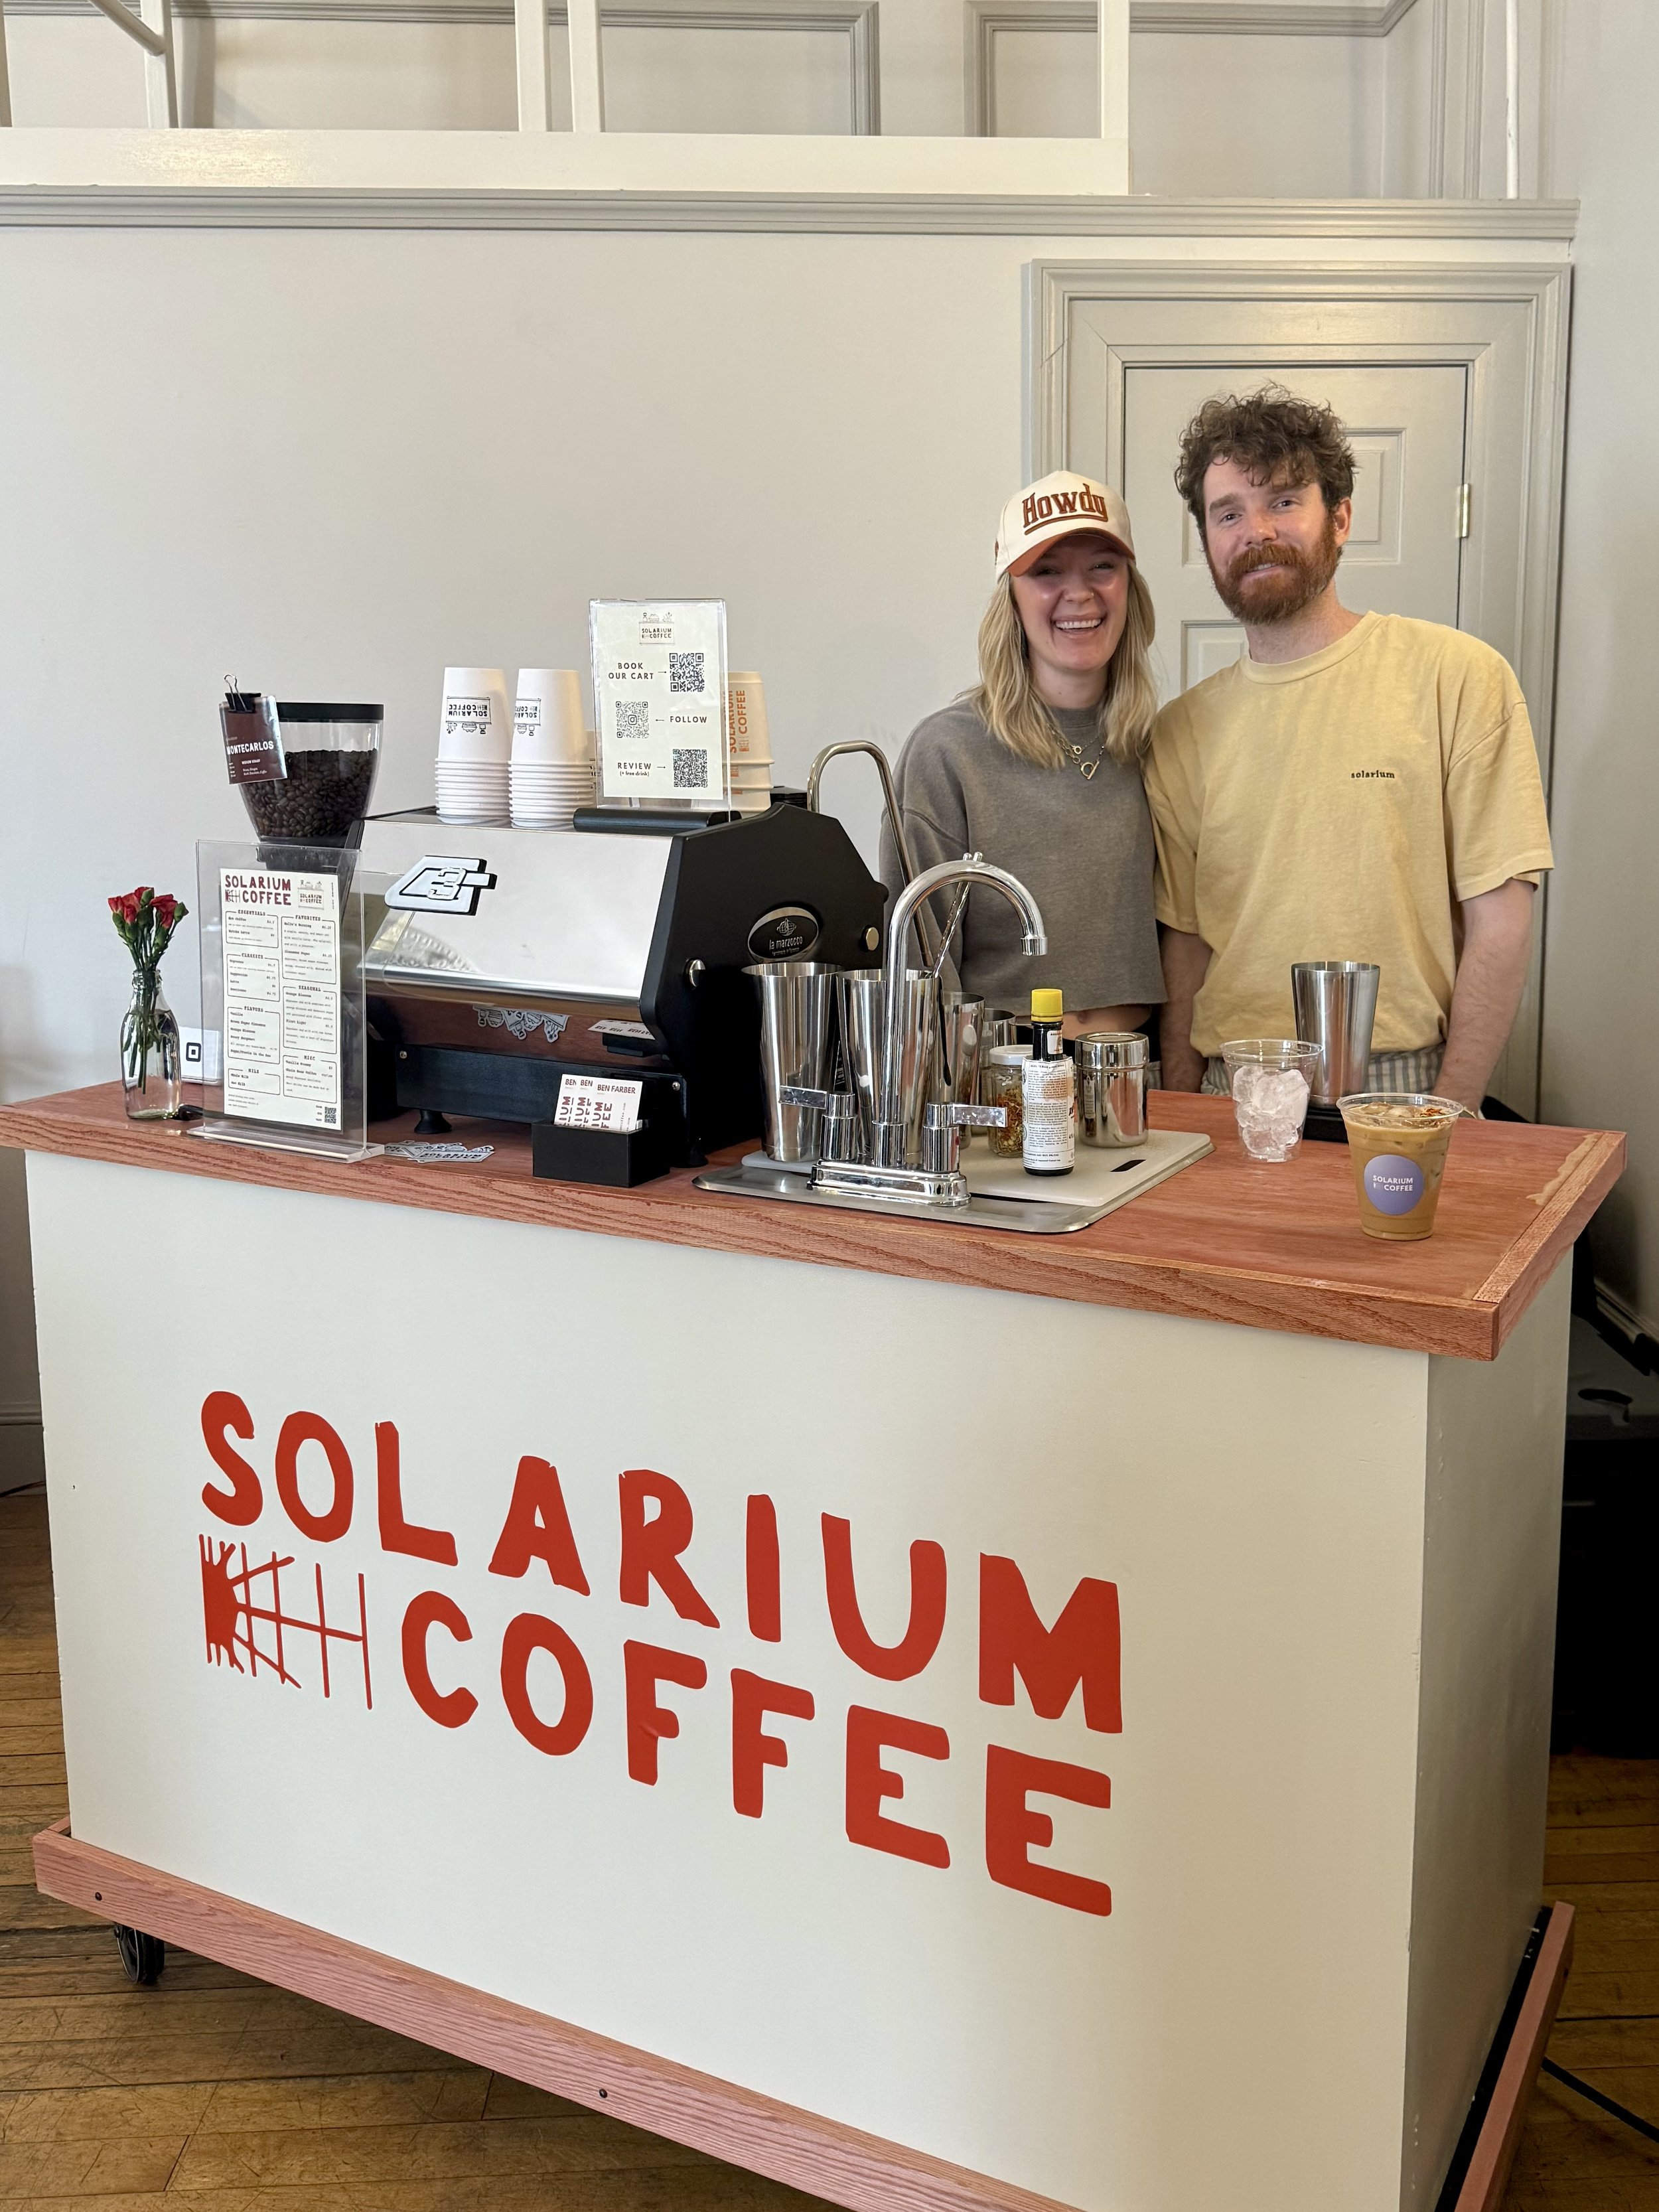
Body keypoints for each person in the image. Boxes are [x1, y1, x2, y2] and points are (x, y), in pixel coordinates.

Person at [1143, 388, 1553, 1110]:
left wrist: (1451, 1112)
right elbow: (1186, 947)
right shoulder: (1180, 731)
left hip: (1404, 1087)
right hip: (1228, 1088)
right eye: (1228, 512)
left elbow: (1500, 923)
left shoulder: (1456, 678)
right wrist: (1179, 1107)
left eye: (1283, 501)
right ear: (1205, 539)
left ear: (1340, 518)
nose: (1255, 530)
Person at [881, 471, 1164, 1035]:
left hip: (1139, 1077)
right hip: (1001, 1085)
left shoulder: (1159, 747)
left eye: (1102, 567)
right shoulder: (946, 754)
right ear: (1010, 594)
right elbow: (916, 978)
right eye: (1047, 572)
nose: (1079, 594)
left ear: (1130, 587)